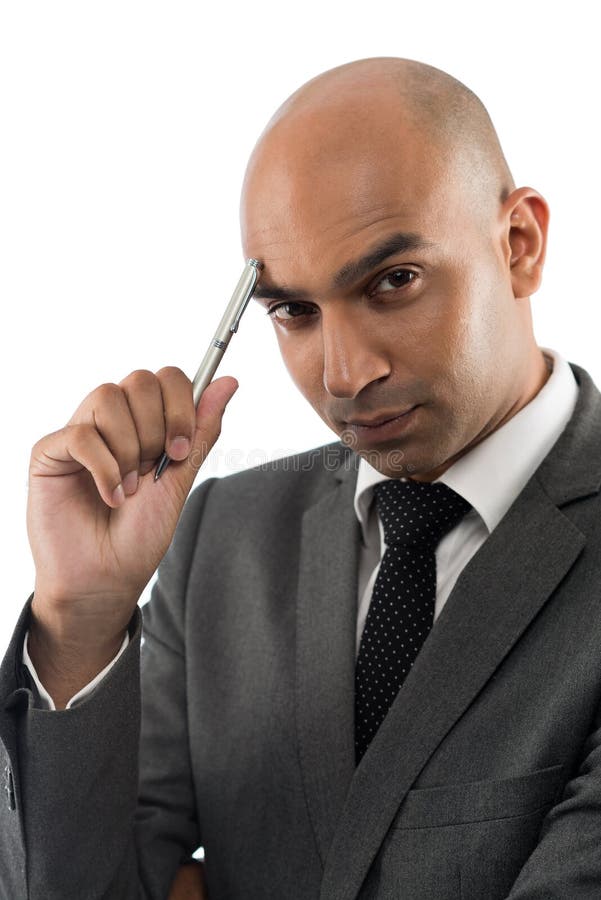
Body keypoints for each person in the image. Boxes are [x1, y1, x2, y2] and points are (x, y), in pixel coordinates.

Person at [1, 54, 600, 899]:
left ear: (519, 245)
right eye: (293, 311)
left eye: (393, 281)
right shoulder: (221, 535)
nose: (344, 373)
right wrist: (81, 619)